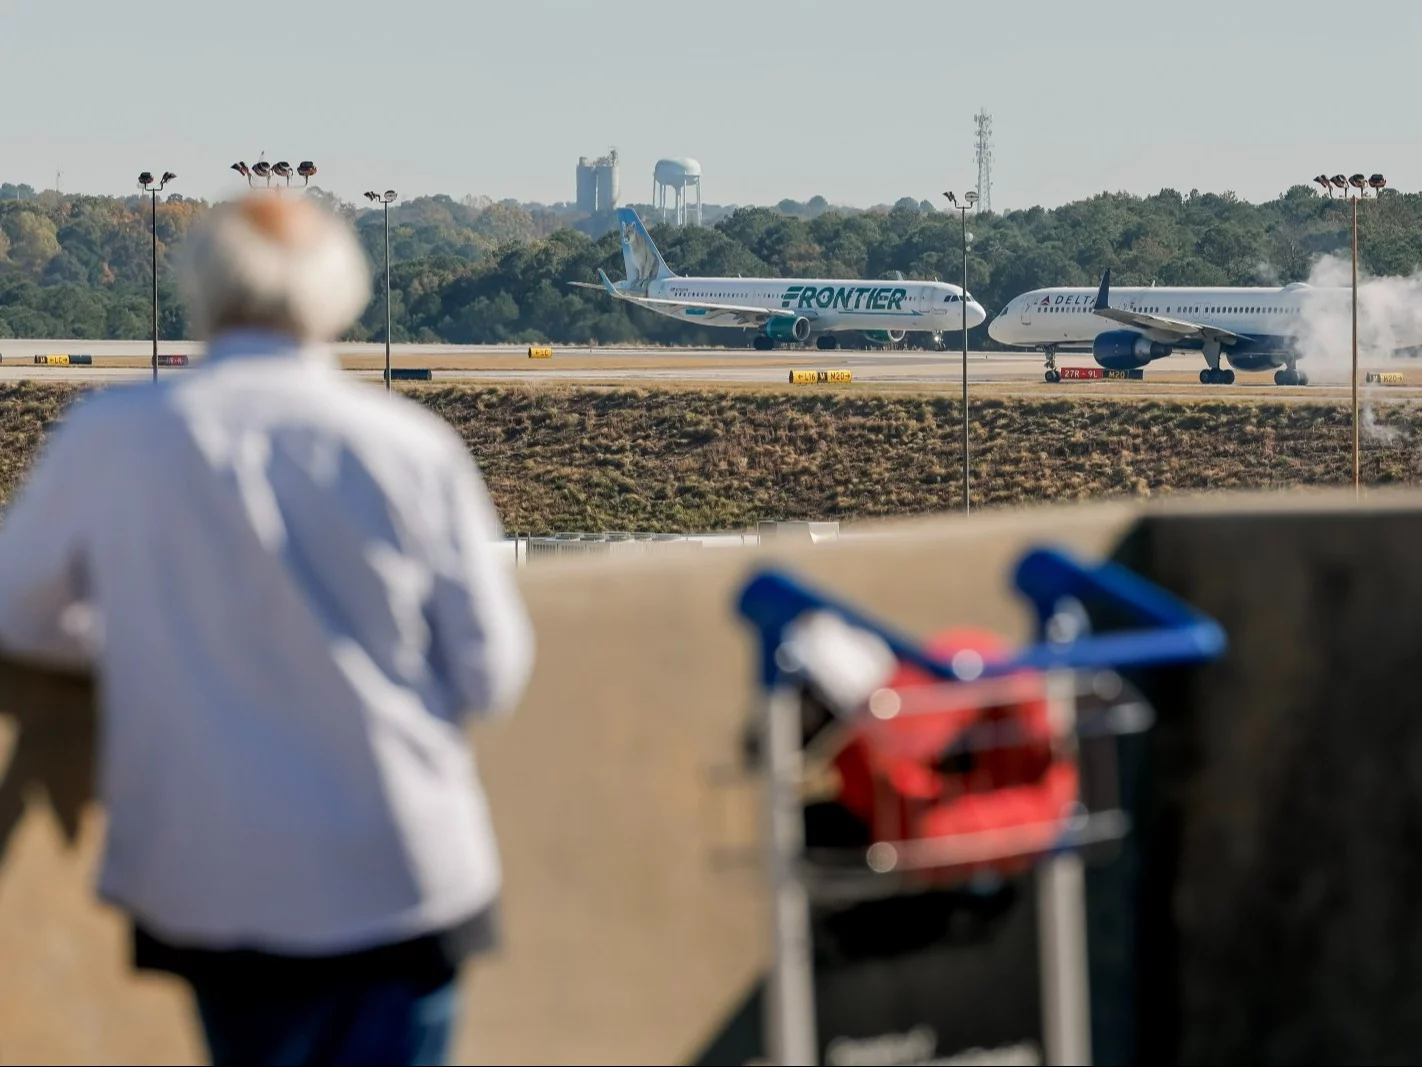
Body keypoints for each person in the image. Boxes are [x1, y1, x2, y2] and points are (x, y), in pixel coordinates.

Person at [0, 193, 534, 1066]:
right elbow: (490, 674)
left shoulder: (112, 436)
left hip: (213, 873)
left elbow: (19, 610)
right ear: (341, 293)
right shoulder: (411, 445)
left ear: (201, 286)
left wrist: (144, 629)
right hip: (399, 874)